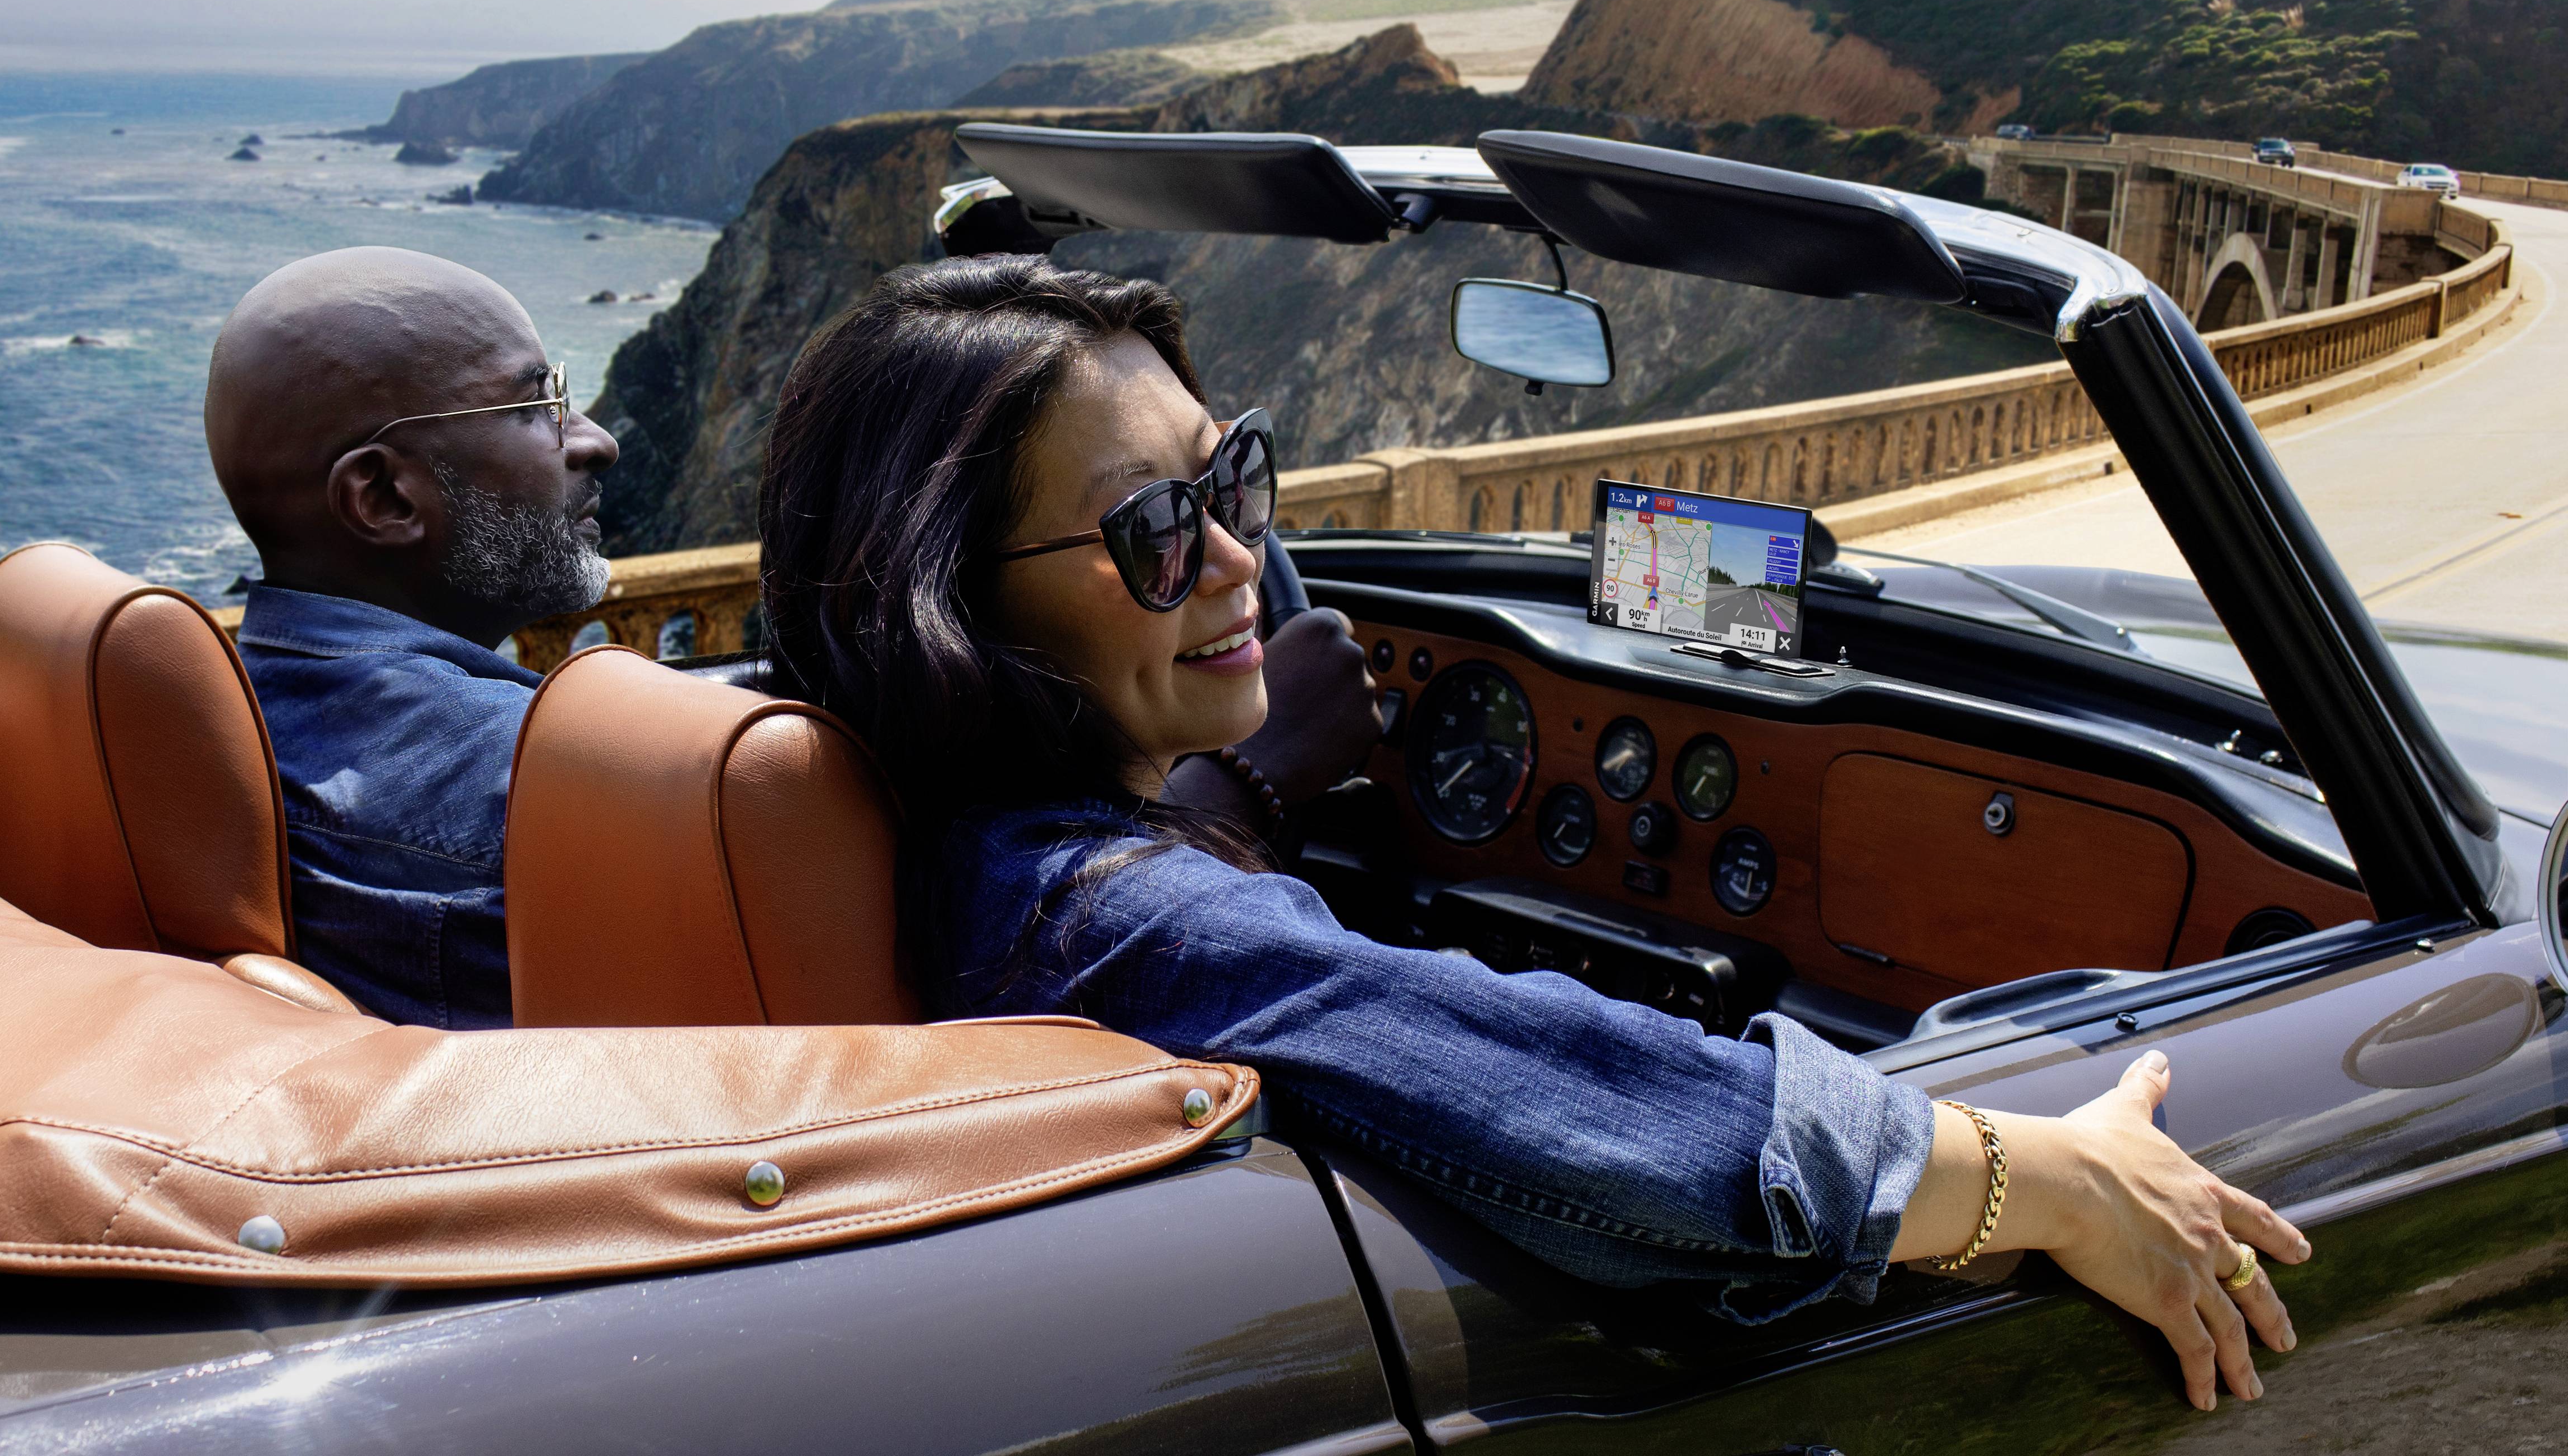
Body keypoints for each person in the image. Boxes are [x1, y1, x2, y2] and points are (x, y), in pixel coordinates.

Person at [756, 254, 2309, 1414]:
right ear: (944, 610)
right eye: (1154, 530)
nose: (1237, 558)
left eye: (1233, 476)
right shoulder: (1112, 925)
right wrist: (2045, 1174)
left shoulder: (908, 835)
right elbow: (1620, 1122)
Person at [203, 246, 618, 1028]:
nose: (596, 441)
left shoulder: (224, 726)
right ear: (386, 496)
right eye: (536, 407)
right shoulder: (544, 783)